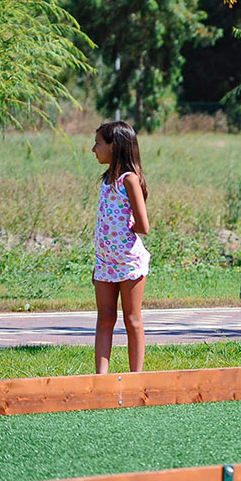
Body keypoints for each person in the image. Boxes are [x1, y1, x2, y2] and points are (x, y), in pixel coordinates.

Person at [90, 121, 151, 375]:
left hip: (127, 261)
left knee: (132, 319)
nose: (93, 149)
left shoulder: (130, 180)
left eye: (98, 143)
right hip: (104, 262)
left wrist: (121, 232)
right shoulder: (106, 180)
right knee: (104, 319)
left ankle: (136, 379)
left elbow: (143, 225)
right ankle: (101, 381)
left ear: (114, 147)